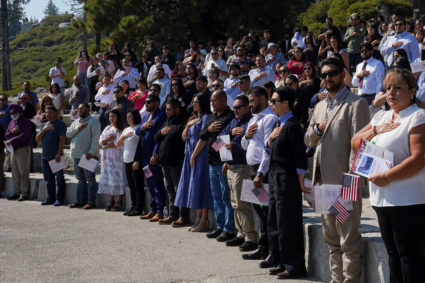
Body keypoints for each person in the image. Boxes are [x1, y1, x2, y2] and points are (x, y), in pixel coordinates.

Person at [351, 68, 425, 283]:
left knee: (410, 258)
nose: (391, 93)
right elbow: (355, 142)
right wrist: (375, 131)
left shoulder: (418, 116)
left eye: (398, 88)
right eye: (387, 88)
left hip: (409, 199)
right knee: (393, 255)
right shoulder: (381, 116)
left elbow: (419, 158)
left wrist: (387, 177)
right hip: (381, 198)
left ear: (412, 90)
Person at [304, 57, 370, 282]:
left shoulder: (356, 103)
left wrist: (352, 185)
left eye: (331, 73)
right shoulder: (320, 105)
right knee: (331, 240)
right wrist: (316, 128)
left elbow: (360, 147)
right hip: (323, 185)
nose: (327, 78)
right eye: (323, 75)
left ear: (343, 74)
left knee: (348, 241)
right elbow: (308, 139)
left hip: (344, 186)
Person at [266, 86, 309, 279]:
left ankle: (294, 265)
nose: (271, 104)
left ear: (286, 103)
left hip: (287, 178)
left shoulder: (291, 125)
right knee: (274, 220)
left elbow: (299, 156)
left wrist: (301, 179)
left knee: (287, 223)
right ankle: (279, 260)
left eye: (274, 101)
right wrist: (269, 140)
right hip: (274, 175)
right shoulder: (278, 125)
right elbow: (272, 150)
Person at [240, 86, 278, 263]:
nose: (250, 104)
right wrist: (246, 136)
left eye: (252, 101)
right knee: (259, 209)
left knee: (267, 212)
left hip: (262, 172)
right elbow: (244, 146)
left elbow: (267, 149)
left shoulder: (270, 119)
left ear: (263, 100)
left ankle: (271, 250)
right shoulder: (253, 119)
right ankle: (263, 248)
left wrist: (261, 173)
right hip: (252, 169)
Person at [221, 95, 257, 251]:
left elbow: (245, 143)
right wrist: (225, 160)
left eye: (238, 107)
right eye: (233, 107)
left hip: (243, 167)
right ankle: (241, 233)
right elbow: (219, 142)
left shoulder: (251, 122)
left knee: (242, 204)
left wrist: (232, 142)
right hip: (231, 167)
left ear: (247, 107)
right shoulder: (233, 123)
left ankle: (250, 237)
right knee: (235, 203)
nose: (235, 110)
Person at [200, 90, 236, 242]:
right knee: (216, 197)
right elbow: (202, 135)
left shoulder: (230, 116)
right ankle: (220, 226)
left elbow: (225, 137)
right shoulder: (212, 117)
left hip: (223, 163)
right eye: (211, 100)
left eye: (214, 100)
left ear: (222, 100)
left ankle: (229, 228)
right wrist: (208, 130)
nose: (212, 103)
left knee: (226, 197)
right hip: (211, 163)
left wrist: (214, 143)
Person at [175, 94, 214, 232]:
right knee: (194, 186)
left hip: (200, 154)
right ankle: (198, 218)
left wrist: (194, 155)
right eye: (193, 101)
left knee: (201, 185)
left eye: (197, 102)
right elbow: (183, 137)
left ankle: (204, 219)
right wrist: (188, 125)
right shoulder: (193, 118)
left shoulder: (206, 118)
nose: (194, 103)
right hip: (189, 153)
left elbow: (203, 138)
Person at [153, 99, 189, 226]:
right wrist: (160, 133)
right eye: (166, 109)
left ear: (177, 109)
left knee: (179, 189)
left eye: (169, 109)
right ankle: (172, 215)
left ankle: (183, 216)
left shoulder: (183, 123)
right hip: (165, 163)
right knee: (170, 189)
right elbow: (156, 138)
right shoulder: (166, 122)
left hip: (176, 162)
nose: (166, 111)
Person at [137, 94, 167, 222]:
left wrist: (155, 153)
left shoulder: (160, 116)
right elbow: (137, 130)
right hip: (144, 155)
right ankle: (153, 209)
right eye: (145, 102)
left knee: (157, 183)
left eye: (149, 102)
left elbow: (159, 137)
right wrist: (142, 127)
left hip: (152, 156)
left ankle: (160, 211)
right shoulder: (145, 117)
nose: (146, 104)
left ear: (157, 103)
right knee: (150, 183)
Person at [67, 103, 101, 210]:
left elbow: (96, 139)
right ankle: (79, 201)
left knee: (90, 179)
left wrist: (90, 152)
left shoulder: (93, 122)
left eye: (82, 108)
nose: (79, 110)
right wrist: (78, 128)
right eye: (78, 108)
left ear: (88, 109)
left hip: (88, 155)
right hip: (76, 155)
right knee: (80, 179)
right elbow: (68, 134)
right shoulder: (76, 122)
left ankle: (91, 202)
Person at [35, 106, 66, 206]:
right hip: (45, 157)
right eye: (46, 112)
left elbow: (62, 140)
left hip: (56, 156)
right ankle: (50, 198)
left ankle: (60, 199)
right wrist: (43, 130)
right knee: (48, 179)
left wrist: (58, 153)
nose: (48, 114)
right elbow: (37, 139)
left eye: (50, 112)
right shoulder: (44, 125)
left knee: (59, 179)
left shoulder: (60, 124)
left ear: (56, 113)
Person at [116, 109, 145, 216]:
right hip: (126, 160)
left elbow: (140, 145)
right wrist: (123, 136)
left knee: (138, 185)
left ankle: (139, 208)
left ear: (135, 117)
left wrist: (137, 160)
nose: (128, 119)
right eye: (127, 117)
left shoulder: (139, 128)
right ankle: (133, 206)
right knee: (131, 186)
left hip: (135, 161)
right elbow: (118, 144)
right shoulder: (126, 129)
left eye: (130, 117)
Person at [98, 109, 127, 211]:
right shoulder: (107, 128)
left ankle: (118, 200)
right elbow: (101, 141)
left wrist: (106, 146)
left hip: (117, 158)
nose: (111, 118)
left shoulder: (121, 129)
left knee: (117, 178)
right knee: (108, 178)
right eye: (110, 116)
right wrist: (106, 141)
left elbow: (118, 143)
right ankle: (111, 200)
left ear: (118, 117)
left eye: (113, 116)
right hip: (106, 158)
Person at [5, 104, 33, 201]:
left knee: (23, 172)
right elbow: (6, 134)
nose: (13, 114)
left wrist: (11, 140)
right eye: (11, 113)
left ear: (20, 112)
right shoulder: (11, 122)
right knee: (15, 172)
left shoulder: (25, 121)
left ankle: (24, 193)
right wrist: (12, 132)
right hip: (13, 149)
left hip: (22, 149)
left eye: (15, 112)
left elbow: (24, 135)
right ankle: (16, 192)